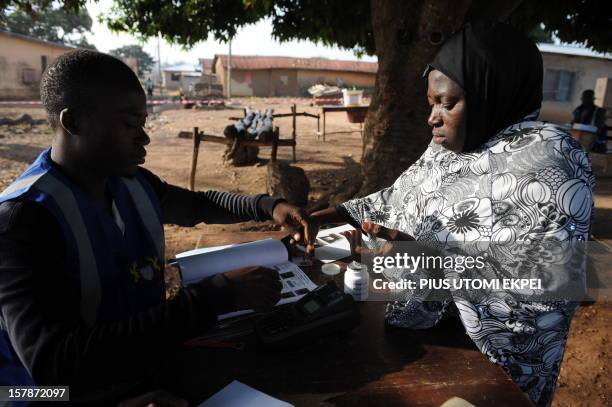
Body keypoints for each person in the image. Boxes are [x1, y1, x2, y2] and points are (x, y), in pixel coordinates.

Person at [0, 50, 316, 401]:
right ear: (73, 123)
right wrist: (216, 295)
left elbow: (197, 204)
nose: (144, 138)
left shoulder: (128, 183)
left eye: (143, 123)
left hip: (139, 363)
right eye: (128, 125)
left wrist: (268, 205)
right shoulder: (24, 220)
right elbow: (53, 362)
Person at [311, 22, 594, 407]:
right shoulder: (446, 153)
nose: (433, 117)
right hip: (418, 340)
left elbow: (542, 292)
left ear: (493, 94)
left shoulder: (549, 161)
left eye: (448, 103)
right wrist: (328, 220)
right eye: (432, 103)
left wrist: (430, 261)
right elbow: (394, 202)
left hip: (488, 372)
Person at [572, 89, 608, 153]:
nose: (584, 100)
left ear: (593, 99)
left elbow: (599, 127)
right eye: (583, 98)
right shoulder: (578, 110)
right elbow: (573, 124)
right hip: (578, 137)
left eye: (587, 98)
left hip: (592, 140)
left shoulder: (599, 111)